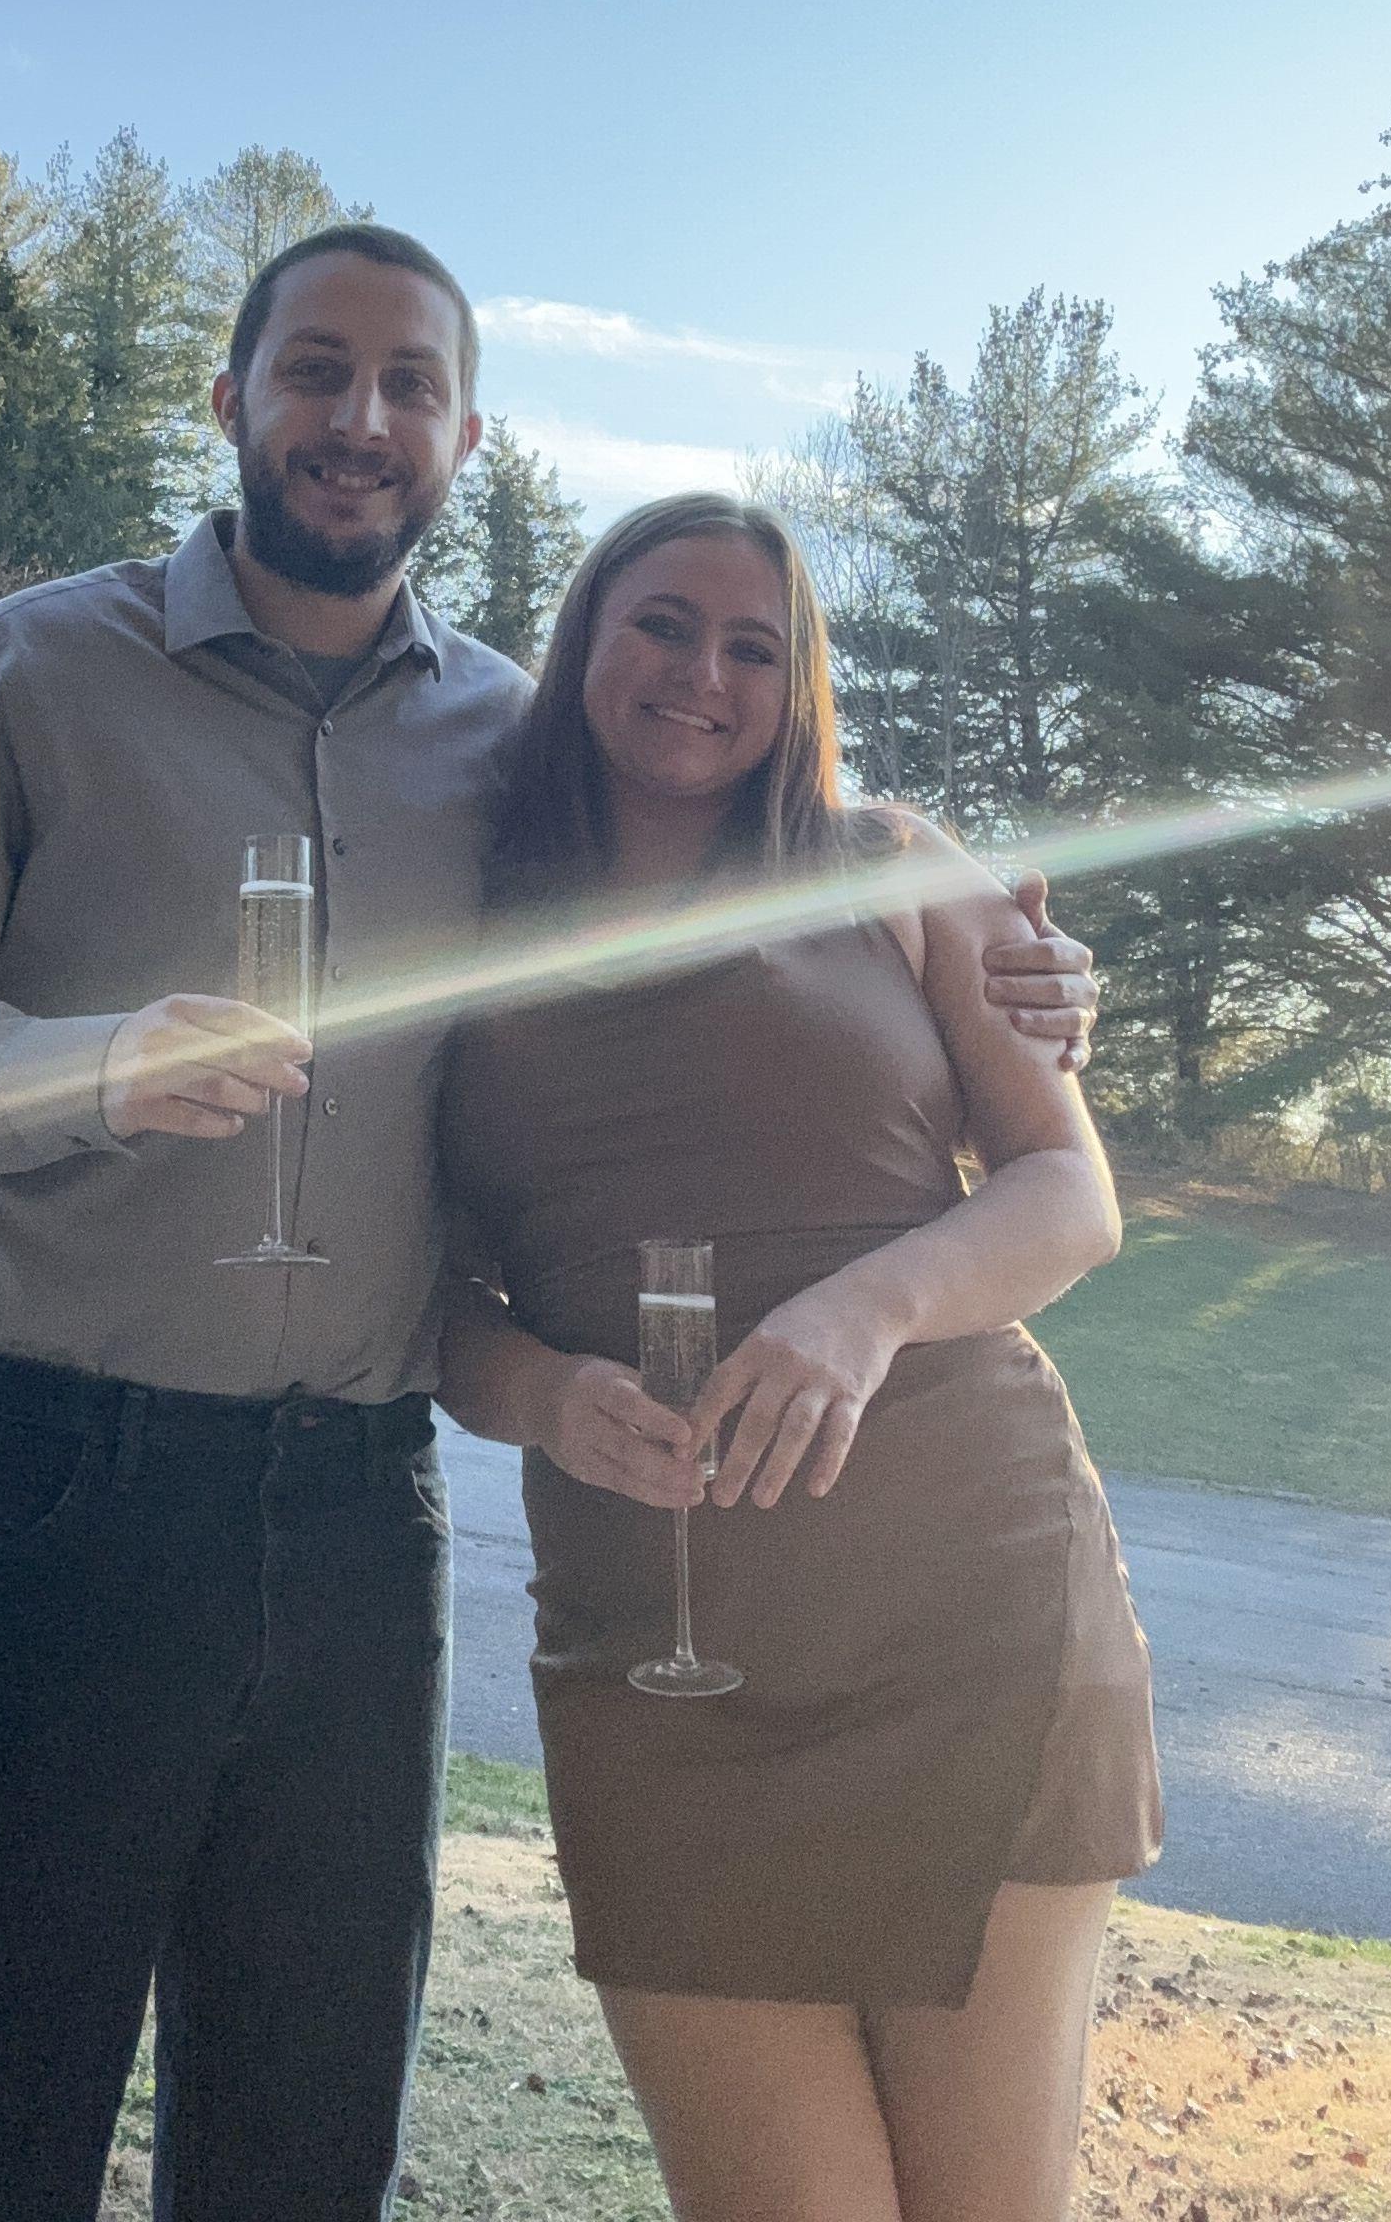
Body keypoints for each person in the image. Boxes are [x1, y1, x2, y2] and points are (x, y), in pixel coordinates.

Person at [0, 230, 1103, 2222]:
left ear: (466, 436)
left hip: (361, 1525)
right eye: (315, 368)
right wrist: (88, 1064)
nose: (359, 417)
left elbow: (763, 853)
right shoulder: (34, 668)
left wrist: (1029, 975)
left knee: (303, 2149)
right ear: (230, 396)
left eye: (410, 385)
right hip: (59, 1490)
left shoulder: (514, 742)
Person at [434, 492, 1157, 2222]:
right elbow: (427, 1298)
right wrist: (543, 1396)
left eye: (753, 646)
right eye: (664, 625)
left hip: (970, 1603)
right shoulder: (456, 916)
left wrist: (865, 1309)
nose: (705, 674)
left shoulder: (890, 862)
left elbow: (1069, 1193)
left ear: (801, 683)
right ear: (586, 639)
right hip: (656, 1636)